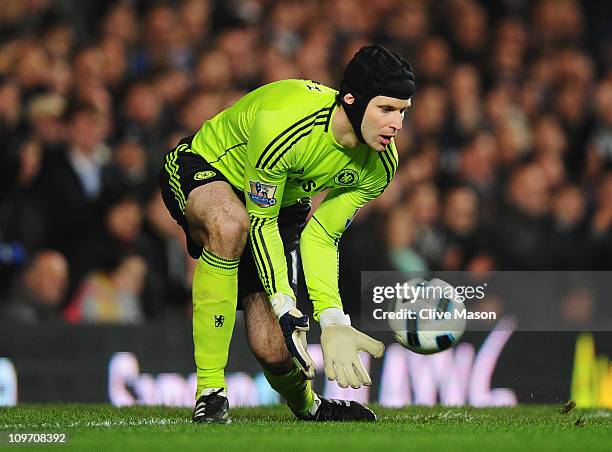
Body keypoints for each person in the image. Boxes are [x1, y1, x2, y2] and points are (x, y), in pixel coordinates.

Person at [159, 44, 415, 423]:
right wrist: (283, 302)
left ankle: (309, 406)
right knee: (230, 226)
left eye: (403, 111)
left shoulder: (381, 164)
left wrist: (333, 320)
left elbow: (322, 237)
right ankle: (210, 391)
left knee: (274, 350)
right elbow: (258, 221)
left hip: (280, 203)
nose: (396, 124)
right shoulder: (286, 125)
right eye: (386, 109)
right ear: (351, 100)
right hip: (208, 168)